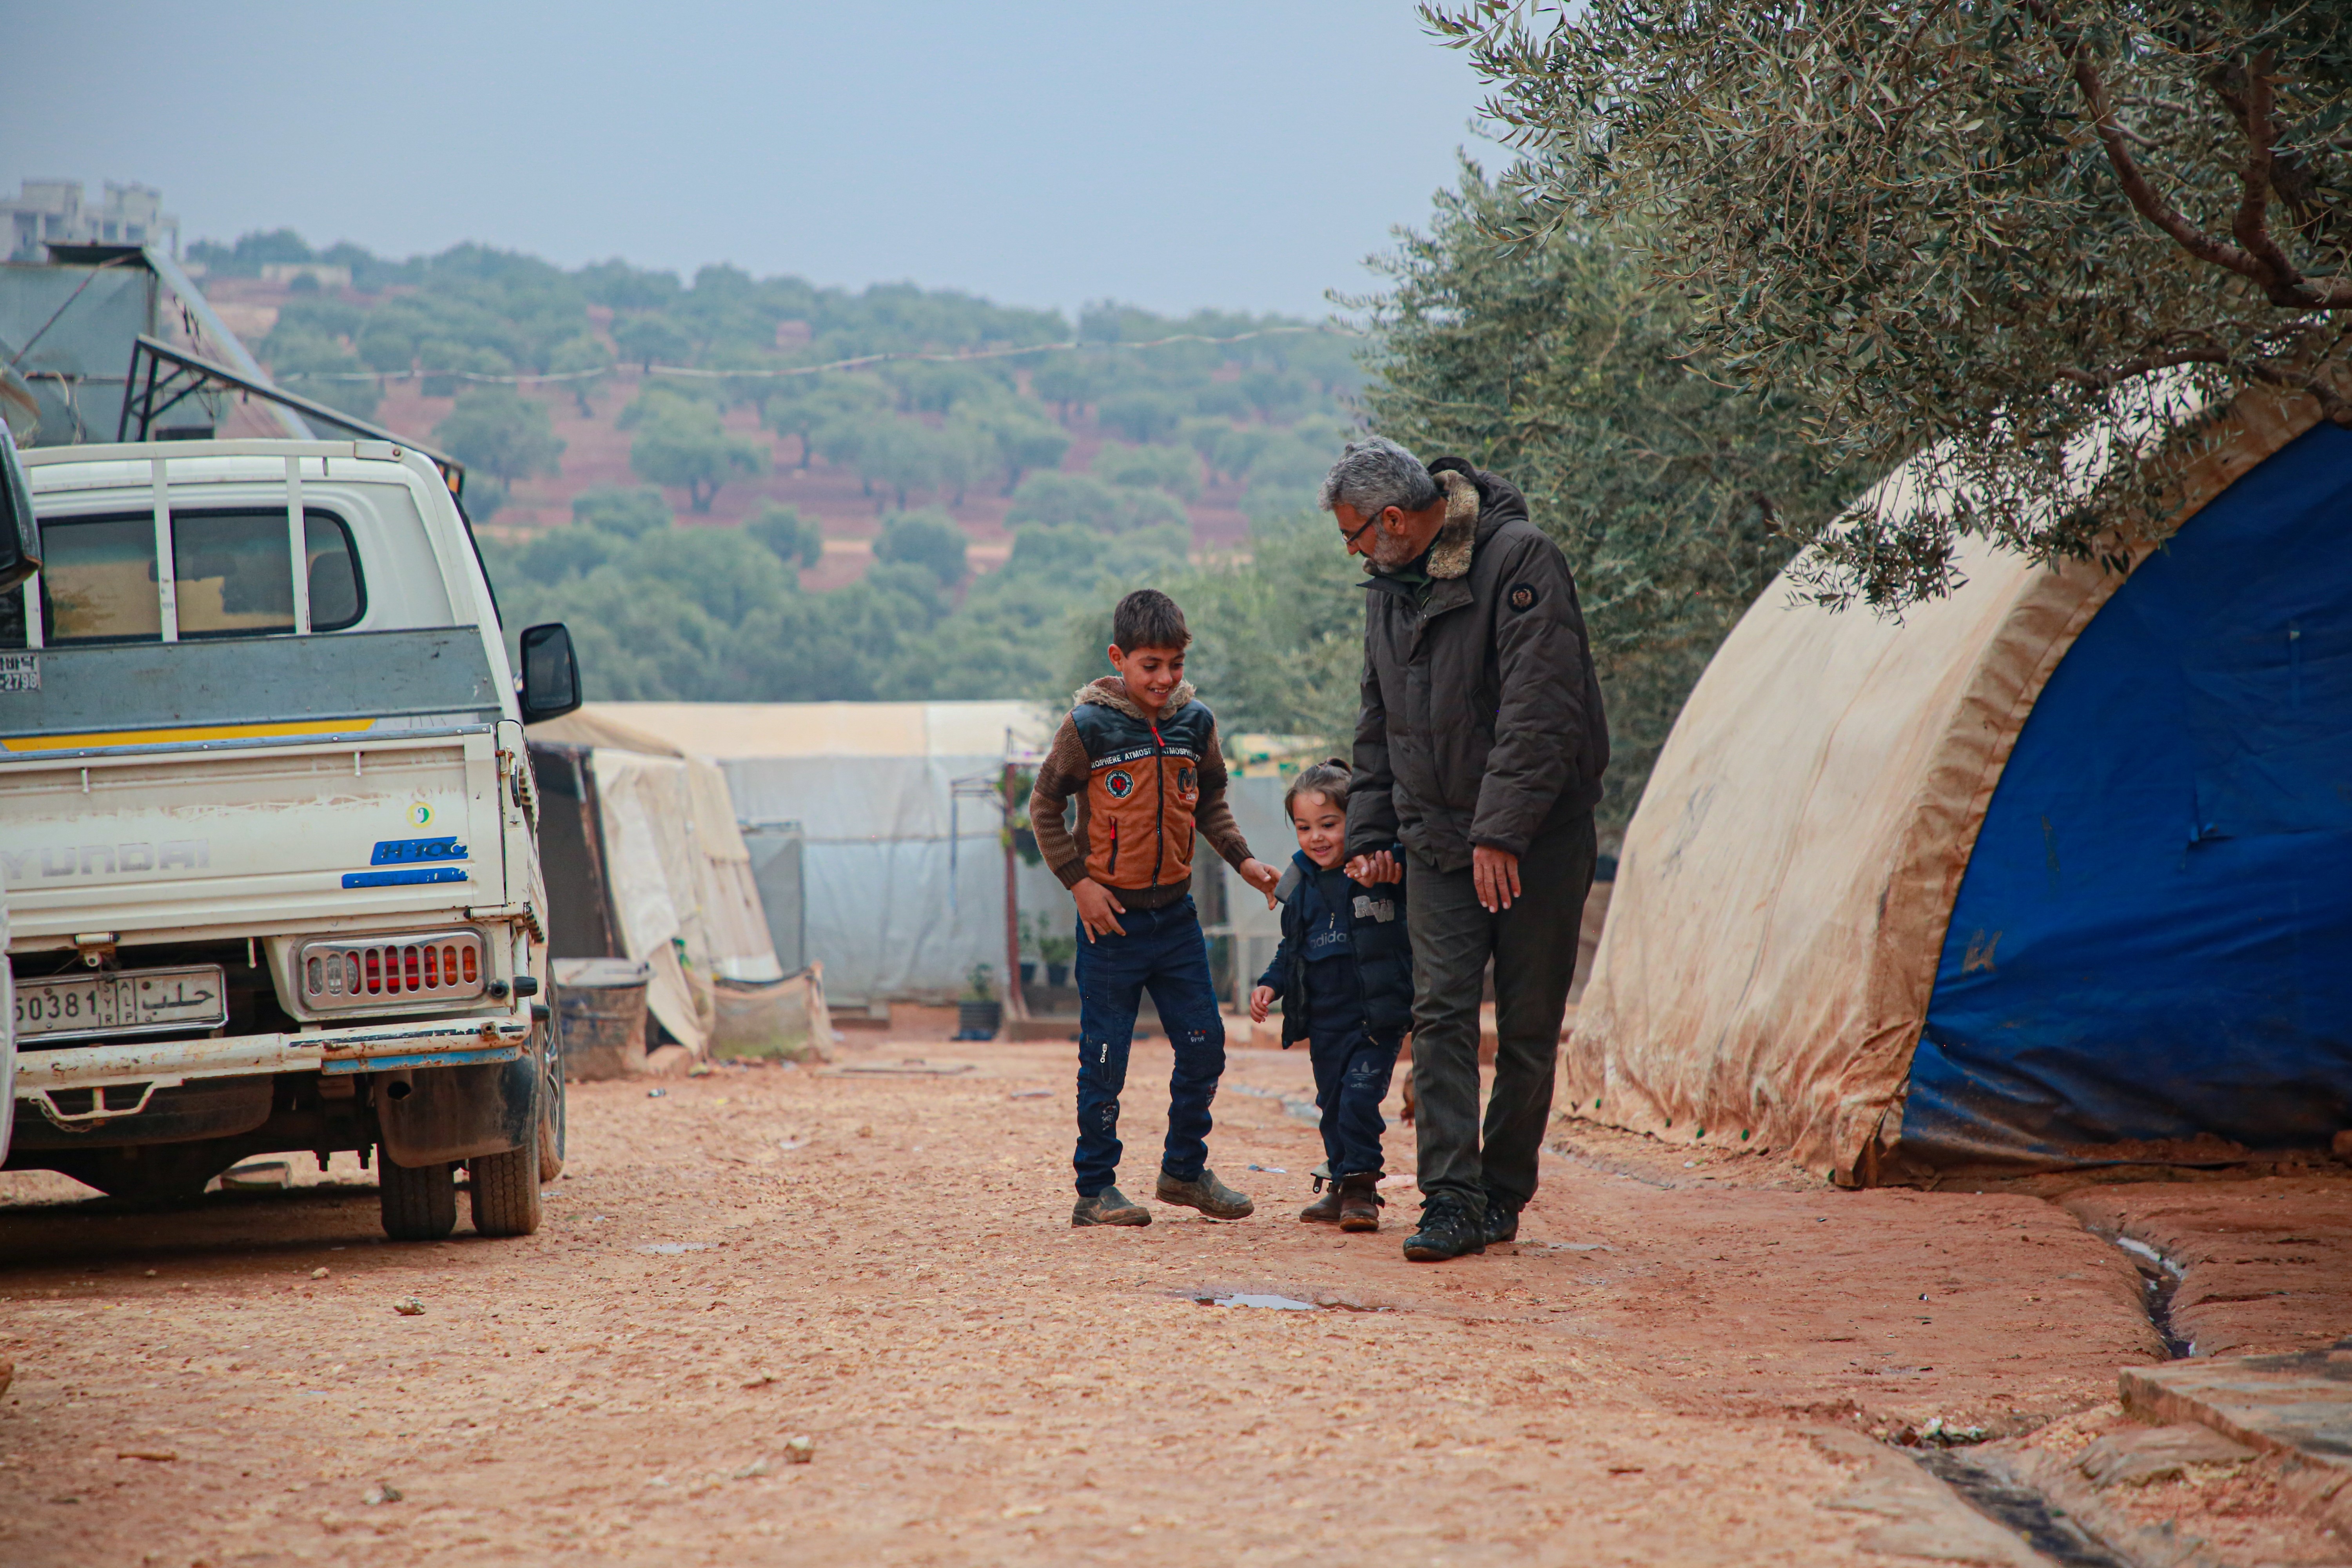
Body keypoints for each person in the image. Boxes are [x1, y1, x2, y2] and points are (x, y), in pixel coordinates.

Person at [1320, 436, 1608, 1263]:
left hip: (1538, 840)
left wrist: (1502, 830)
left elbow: (1541, 707)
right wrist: (1372, 832)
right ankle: (1449, 1195)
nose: (1351, 550)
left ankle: (1501, 1193)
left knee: (1526, 1024)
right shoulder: (1387, 588)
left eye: (1354, 533)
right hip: (1436, 839)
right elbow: (1378, 718)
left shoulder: (1522, 561)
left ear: (1398, 519)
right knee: (1440, 1012)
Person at [1030, 588, 1283, 1227]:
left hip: (1176, 919)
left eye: (1174, 664)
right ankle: (1095, 1190)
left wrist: (1244, 861)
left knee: (1205, 1046)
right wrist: (1078, 884)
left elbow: (1211, 803)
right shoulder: (1088, 727)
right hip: (1110, 923)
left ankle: (1184, 1170)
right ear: (1119, 658)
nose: (1165, 679)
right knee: (1106, 1058)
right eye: (1150, 665)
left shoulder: (1194, 722)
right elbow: (1044, 808)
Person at [1248, 760, 1412, 1232]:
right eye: (1304, 827)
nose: (1316, 837)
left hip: (1375, 1016)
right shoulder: (1299, 884)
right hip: (1325, 1020)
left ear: (1354, 821)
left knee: (1360, 1097)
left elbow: (1414, 912)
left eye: (1329, 824)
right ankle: (1342, 1182)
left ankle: (1362, 1189)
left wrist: (1391, 868)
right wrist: (1269, 983)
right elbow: (1291, 947)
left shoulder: (1381, 868)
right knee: (1333, 1103)